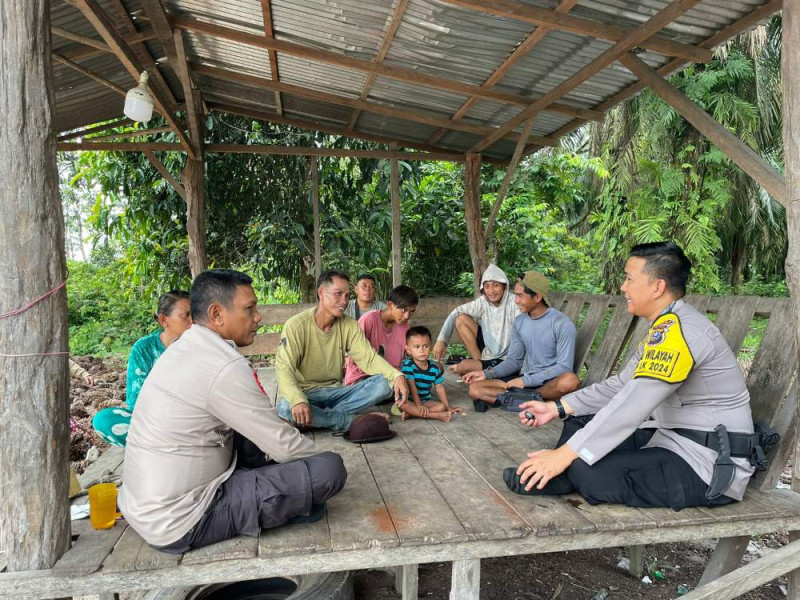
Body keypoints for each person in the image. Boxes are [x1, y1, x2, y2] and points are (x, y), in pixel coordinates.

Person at [504, 242, 756, 511]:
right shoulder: (665, 327)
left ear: (657, 287)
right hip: (668, 437)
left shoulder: (680, 333)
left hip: (706, 462)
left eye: (629, 279)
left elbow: (634, 403)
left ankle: (566, 472)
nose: (623, 287)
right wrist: (556, 408)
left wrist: (565, 454)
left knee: (587, 468)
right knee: (578, 424)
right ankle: (564, 472)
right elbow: (622, 385)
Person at [120, 269, 347, 553]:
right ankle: (286, 504)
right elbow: (285, 447)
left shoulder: (185, 348)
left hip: (146, 504)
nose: (258, 317)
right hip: (183, 518)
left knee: (253, 431)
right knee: (329, 470)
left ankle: (283, 493)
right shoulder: (223, 366)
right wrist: (318, 460)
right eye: (249, 309)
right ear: (216, 315)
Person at [276, 270, 409, 431]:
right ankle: (350, 420)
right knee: (285, 406)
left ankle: (319, 418)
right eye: (338, 294)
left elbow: (369, 358)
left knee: (385, 383)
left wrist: (397, 376)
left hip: (339, 392)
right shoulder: (296, 325)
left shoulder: (349, 325)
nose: (344, 301)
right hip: (306, 393)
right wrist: (297, 399)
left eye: (346, 296)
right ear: (321, 292)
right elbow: (284, 368)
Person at [464, 271, 579, 408]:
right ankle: (532, 400)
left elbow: (564, 367)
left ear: (537, 297)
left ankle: (522, 398)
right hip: (526, 380)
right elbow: (514, 361)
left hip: (549, 382)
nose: (516, 300)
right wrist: (486, 373)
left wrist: (525, 381)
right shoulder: (520, 321)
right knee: (475, 389)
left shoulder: (562, 323)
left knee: (570, 381)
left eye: (520, 296)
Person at [91, 290, 192, 447]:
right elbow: (136, 401)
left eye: (194, 314)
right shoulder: (144, 348)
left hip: (192, 419)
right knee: (104, 420)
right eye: (186, 315)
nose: (193, 321)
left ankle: (157, 447)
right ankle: (165, 445)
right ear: (164, 320)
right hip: (157, 420)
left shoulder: (201, 344)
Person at [432, 264, 518, 376]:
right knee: (461, 319)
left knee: (463, 367)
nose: (491, 291)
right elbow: (456, 311)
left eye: (496, 285)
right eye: (487, 286)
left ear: (504, 286)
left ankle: (480, 370)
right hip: (488, 352)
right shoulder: (482, 302)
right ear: (483, 288)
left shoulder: (515, 303)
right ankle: (479, 362)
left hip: (508, 358)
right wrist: (441, 340)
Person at [344, 284, 419, 386]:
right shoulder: (369, 320)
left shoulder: (404, 326)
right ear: (390, 305)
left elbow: (409, 353)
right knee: (384, 386)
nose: (407, 316)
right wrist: (391, 371)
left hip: (393, 375)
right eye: (403, 310)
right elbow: (354, 357)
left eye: (411, 312)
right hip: (363, 377)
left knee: (428, 373)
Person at [399, 326, 461, 422]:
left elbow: (439, 388)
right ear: (408, 349)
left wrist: (448, 407)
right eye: (417, 347)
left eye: (425, 346)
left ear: (430, 347)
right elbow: (412, 386)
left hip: (425, 401)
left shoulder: (433, 367)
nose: (422, 350)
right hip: (409, 401)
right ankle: (435, 416)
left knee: (441, 406)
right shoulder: (408, 365)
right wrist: (418, 405)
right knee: (401, 404)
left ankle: (413, 414)